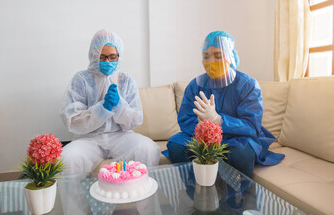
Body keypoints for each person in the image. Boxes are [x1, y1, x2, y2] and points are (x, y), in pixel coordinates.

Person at [163, 31, 284, 178]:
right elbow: (185, 120)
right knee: (176, 145)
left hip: (238, 138)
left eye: (218, 56)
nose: (211, 61)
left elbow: (251, 126)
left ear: (230, 56)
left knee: (240, 152)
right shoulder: (195, 86)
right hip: (201, 137)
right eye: (206, 56)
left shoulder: (248, 85)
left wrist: (219, 121)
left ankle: (238, 199)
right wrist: (204, 127)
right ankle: (195, 192)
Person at [60, 29, 160, 175]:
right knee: (67, 158)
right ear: (93, 55)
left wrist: (120, 106)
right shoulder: (81, 80)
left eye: (112, 57)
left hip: (121, 136)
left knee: (148, 149)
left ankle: (140, 196)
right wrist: (102, 108)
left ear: (119, 56)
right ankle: (75, 199)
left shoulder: (127, 81)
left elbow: (136, 120)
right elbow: (72, 121)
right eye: (102, 57)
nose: (107, 61)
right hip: (89, 139)